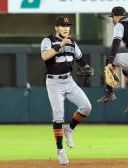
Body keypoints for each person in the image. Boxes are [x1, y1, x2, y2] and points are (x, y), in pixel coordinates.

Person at [40, 16, 92, 165]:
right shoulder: (48, 40)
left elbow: (81, 60)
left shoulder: (72, 42)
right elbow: (44, 56)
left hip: (69, 81)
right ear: (56, 27)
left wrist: (86, 67)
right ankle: (60, 150)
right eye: (63, 26)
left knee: (87, 107)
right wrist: (60, 45)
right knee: (58, 116)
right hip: (54, 82)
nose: (66, 28)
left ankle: (69, 129)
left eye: (68, 26)